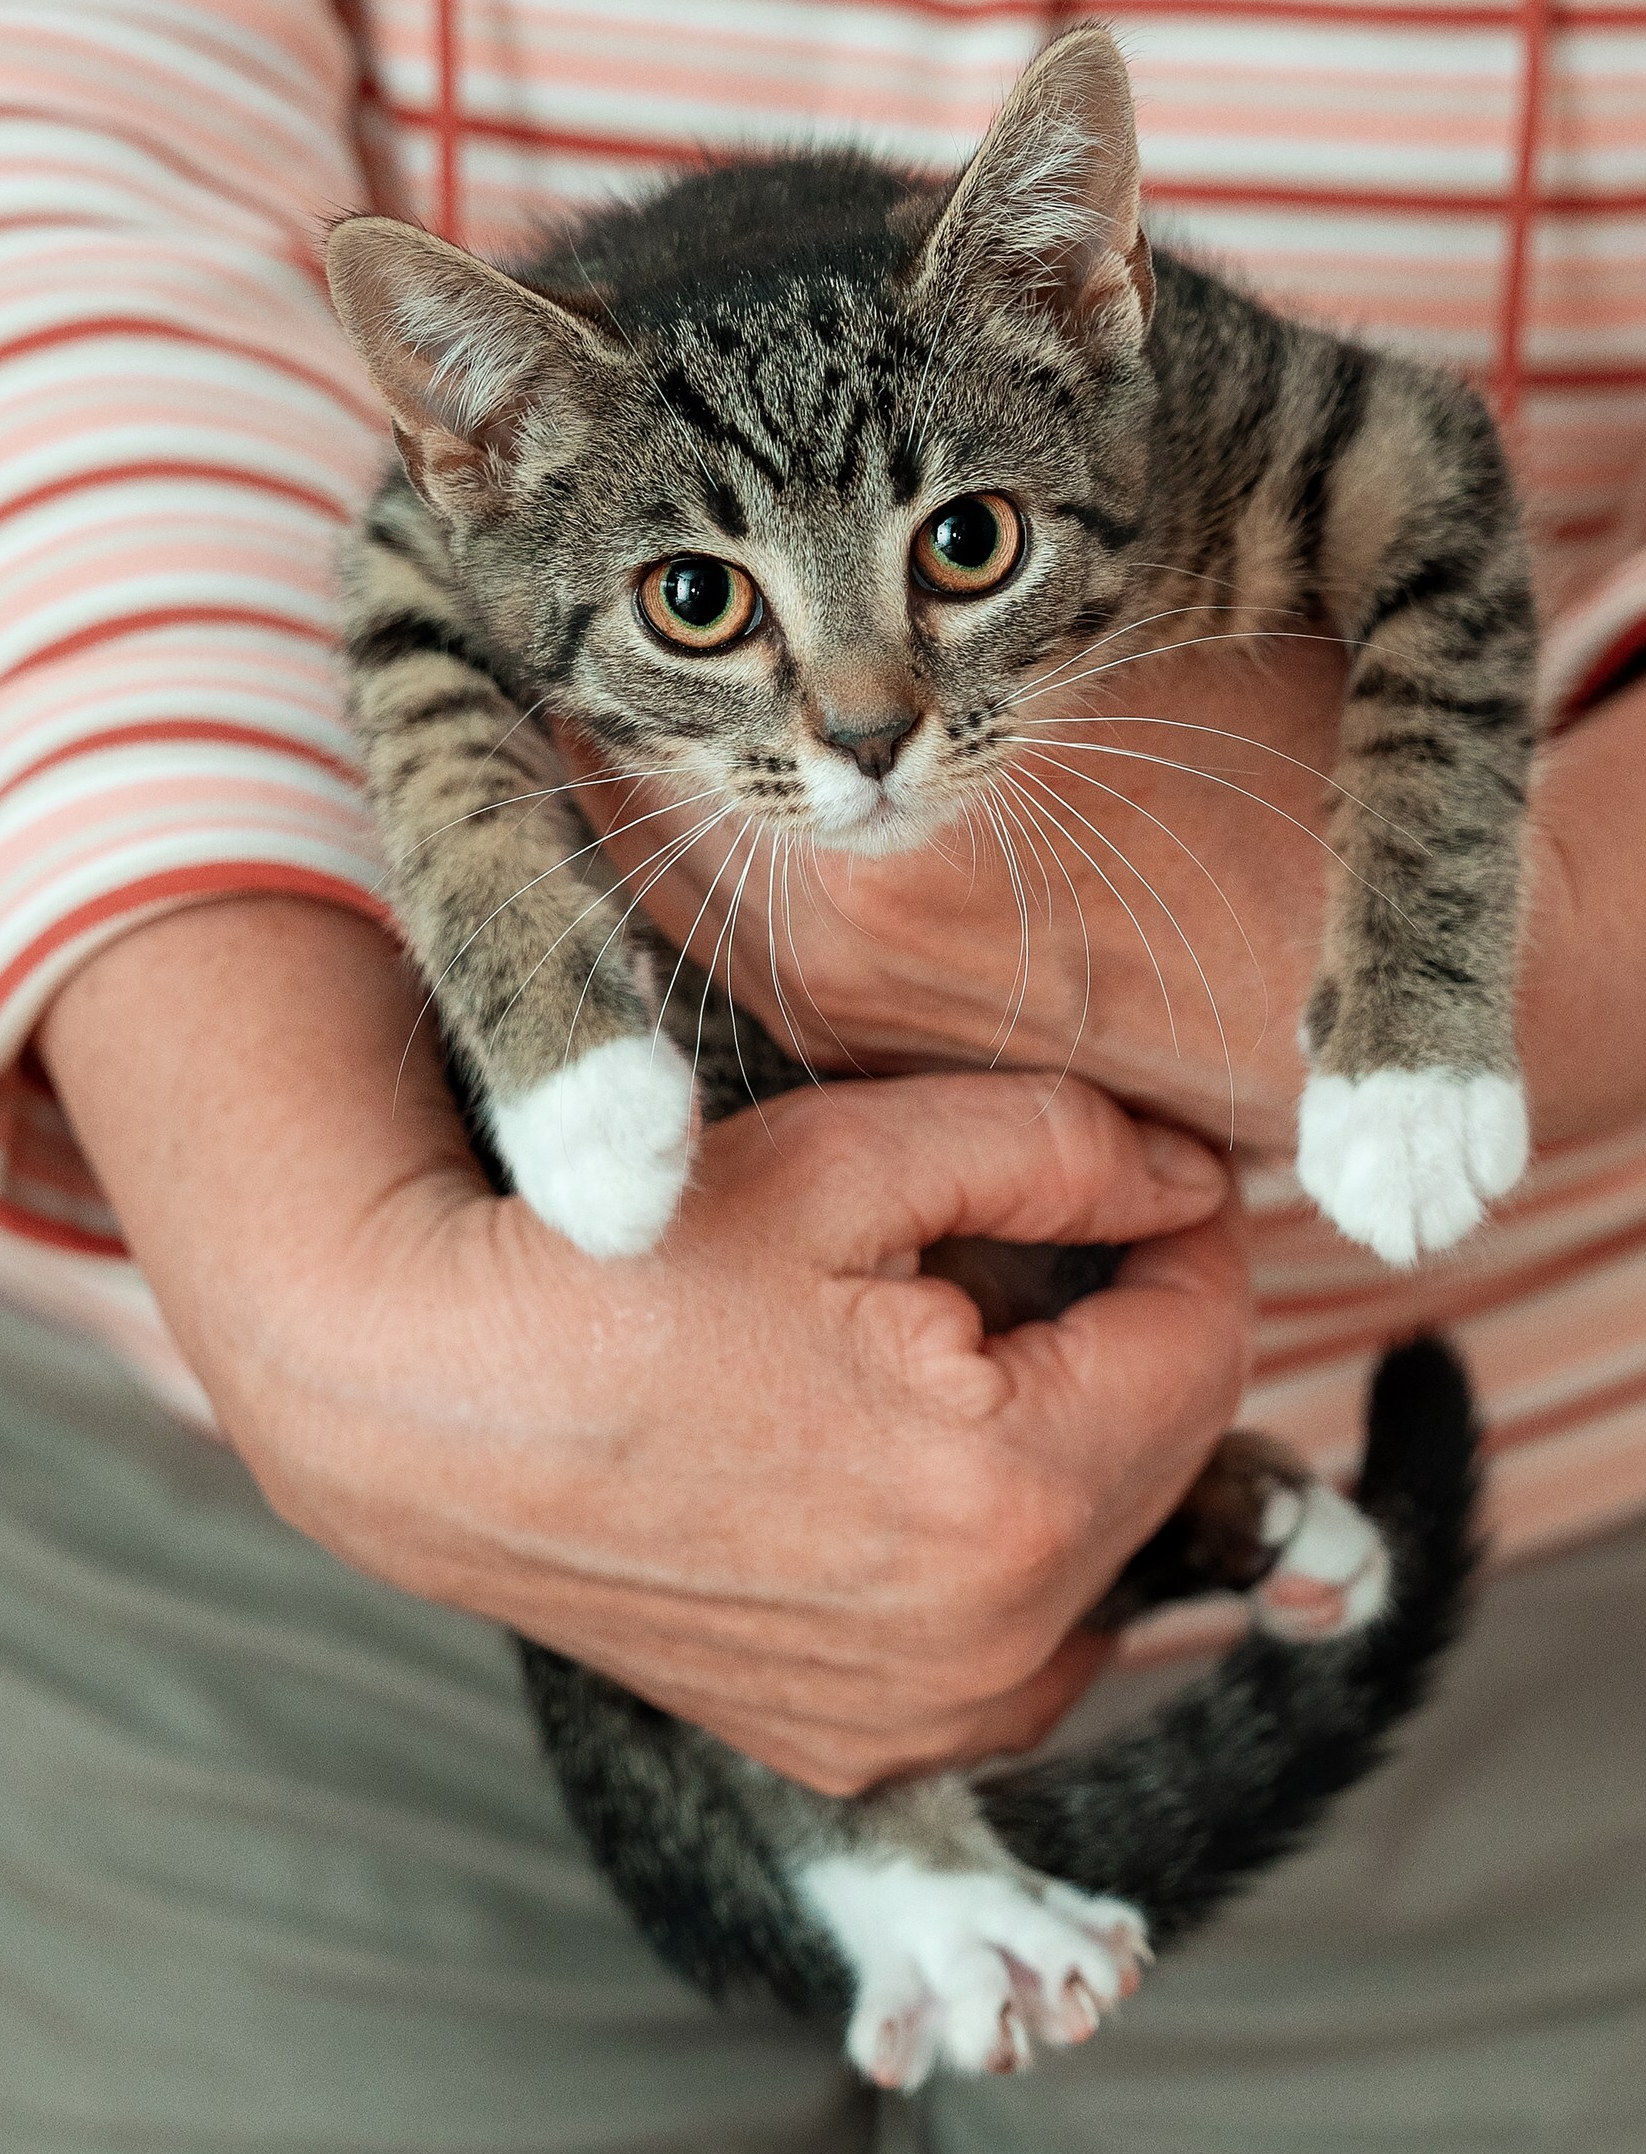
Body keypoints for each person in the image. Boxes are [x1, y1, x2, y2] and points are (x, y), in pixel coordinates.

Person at [1, 4, 1642, 2148]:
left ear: (1084, 306)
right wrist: (328, 1286)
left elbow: (1409, 468)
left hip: (1555, 1527)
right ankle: (891, 1814)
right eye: (712, 604)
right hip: (262, 1506)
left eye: (956, 551)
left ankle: (1165, 1520)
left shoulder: (1138, 394)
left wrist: (1490, 966)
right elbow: (73, 168)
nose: (864, 720)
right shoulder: (529, 474)